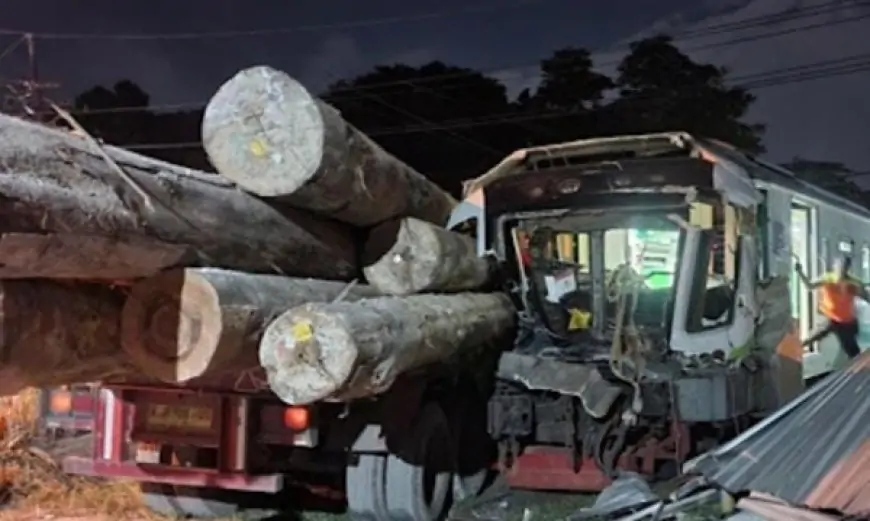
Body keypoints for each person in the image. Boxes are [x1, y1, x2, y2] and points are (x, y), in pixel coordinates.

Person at [795, 255, 868, 358]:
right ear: (835, 267)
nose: (842, 270)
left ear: (847, 268)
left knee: (853, 351)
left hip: (847, 323)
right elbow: (810, 285)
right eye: (840, 267)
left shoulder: (852, 283)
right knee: (812, 337)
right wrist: (800, 272)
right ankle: (797, 349)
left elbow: (865, 296)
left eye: (844, 267)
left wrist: (862, 292)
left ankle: (861, 368)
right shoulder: (828, 278)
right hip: (832, 319)